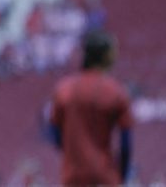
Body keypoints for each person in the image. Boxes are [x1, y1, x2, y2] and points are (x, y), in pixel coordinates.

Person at [50, 30, 132, 186]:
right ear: (106, 55)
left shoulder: (64, 90)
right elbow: (126, 143)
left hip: (73, 177)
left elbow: (54, 133)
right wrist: (121, 176)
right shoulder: (116, 92)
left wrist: (75, 154)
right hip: (105, 177)